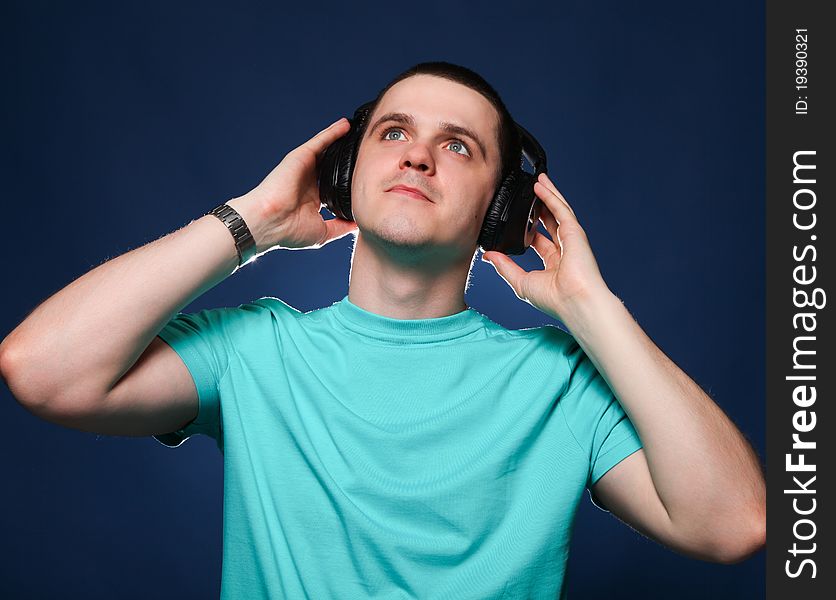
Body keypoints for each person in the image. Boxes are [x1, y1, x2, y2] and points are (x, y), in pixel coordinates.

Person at [0, 61, 765, 598]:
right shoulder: (256, 351)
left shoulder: (559, 380)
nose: (419, 156)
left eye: (458, 145)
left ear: (501, 208)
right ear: (347, 174)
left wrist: (593, 309)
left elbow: (734, 525)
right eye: (394, 133)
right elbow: (41, 369)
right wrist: (254, 222)